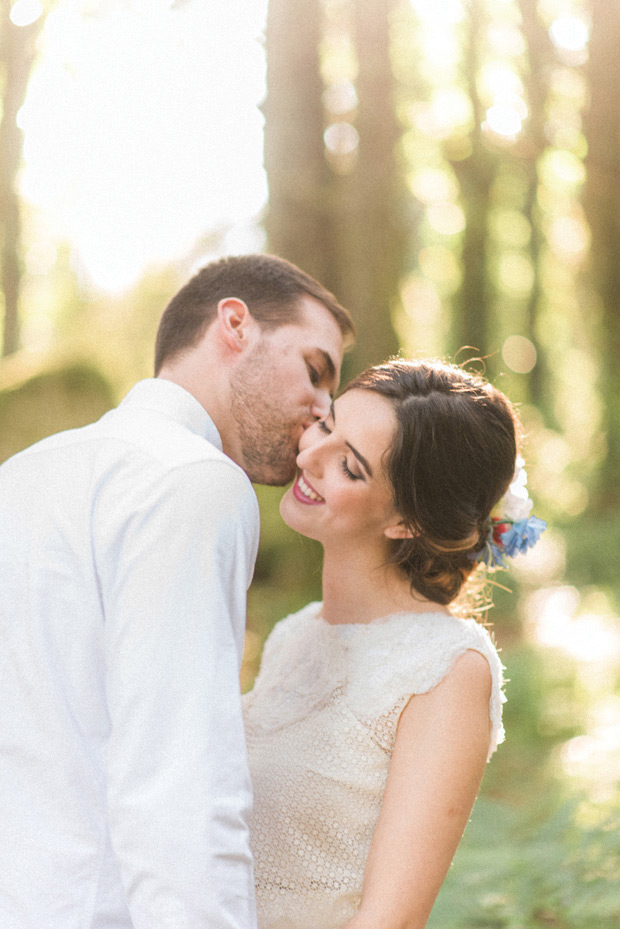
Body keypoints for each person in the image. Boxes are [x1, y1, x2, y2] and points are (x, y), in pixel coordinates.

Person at [0, 253, 353, 929]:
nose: (322, 412)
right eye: (315, 371)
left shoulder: (21, 474)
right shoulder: (196, 480)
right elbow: (180, 784)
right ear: (234, 324)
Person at [243, 359, 546, 929]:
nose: (309, 457)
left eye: (349, 467)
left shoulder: (448, 667)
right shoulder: (293, 636)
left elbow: (392, 921)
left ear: (406, 519)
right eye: (327, 425)